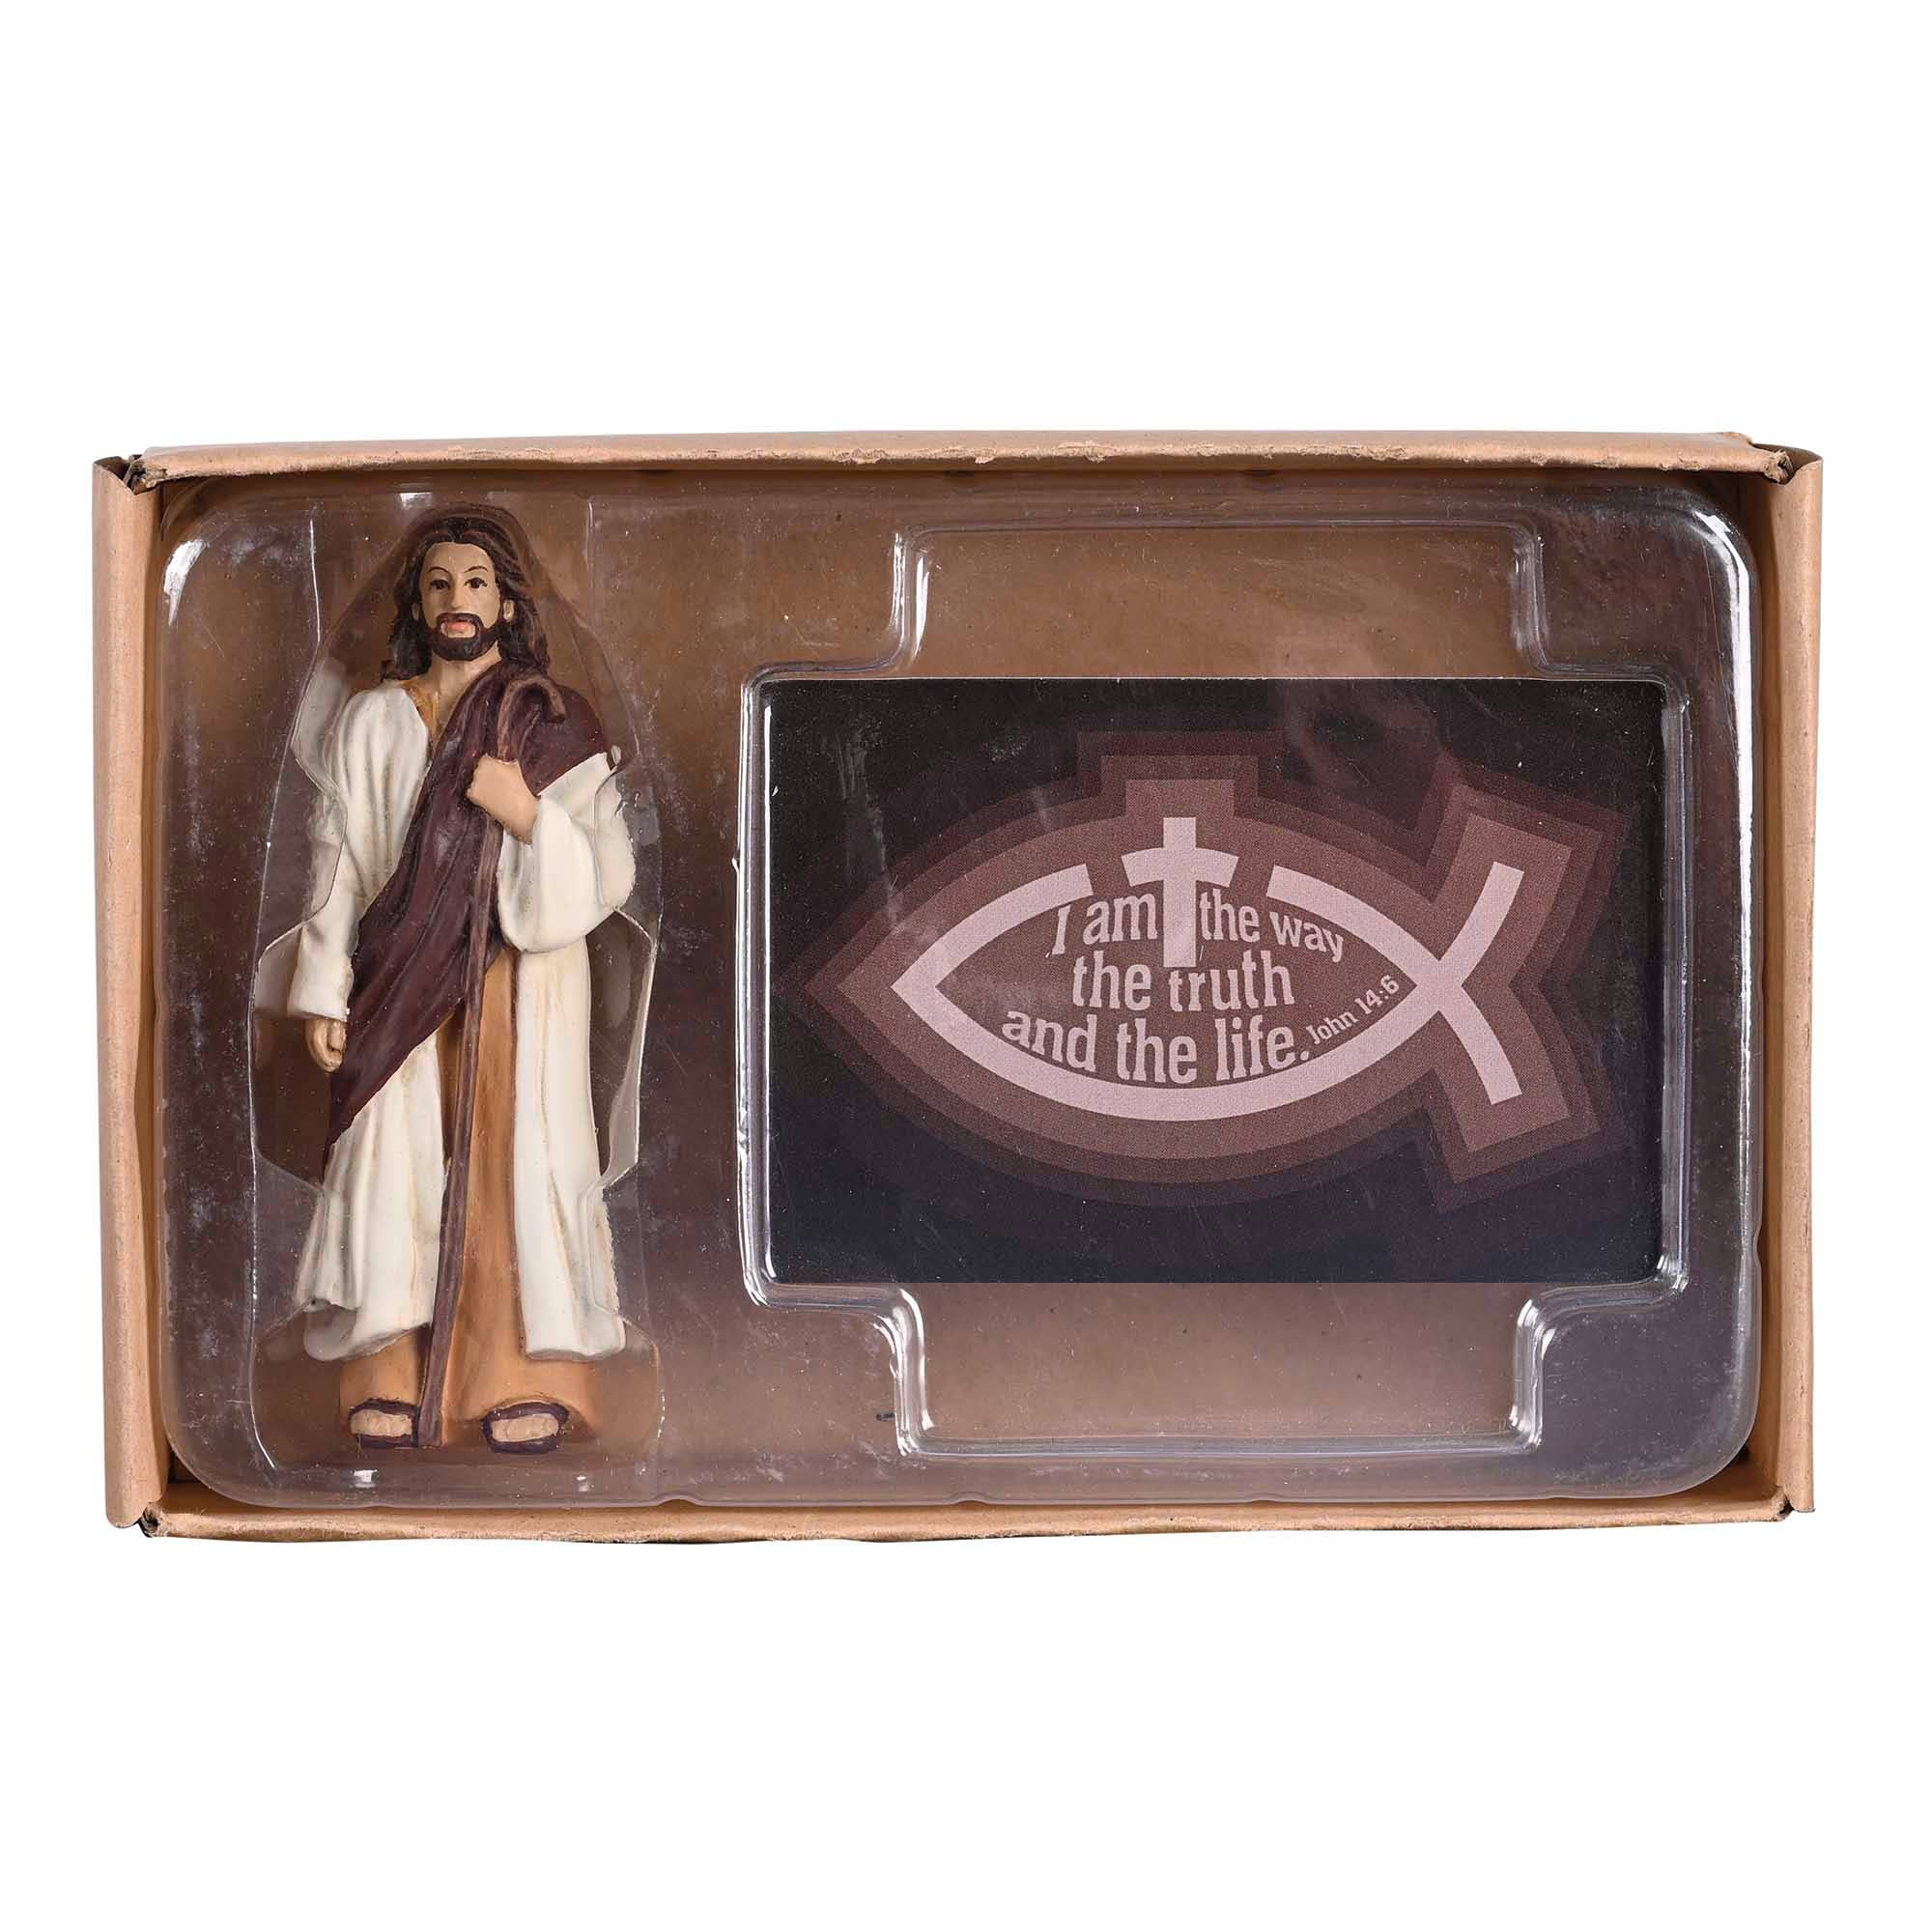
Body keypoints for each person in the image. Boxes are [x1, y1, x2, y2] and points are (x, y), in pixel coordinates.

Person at [288, 509, 635, 1453]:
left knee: (509, 1167)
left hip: (517, 980)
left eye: (475, 582)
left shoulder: (548, 720)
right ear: (416, 602)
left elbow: (608, 873)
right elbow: (334, 864)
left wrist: (526, 815)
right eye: (439, 582)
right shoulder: (371, 719)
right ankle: (389, 1372)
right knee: (393, 1166)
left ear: (506, 602)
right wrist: (322, 985)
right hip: (396, 981)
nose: (457, 600)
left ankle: (519, 1375)